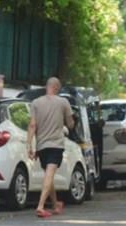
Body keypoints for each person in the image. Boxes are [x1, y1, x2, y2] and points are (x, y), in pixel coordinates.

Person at [27, 77, 75, 218]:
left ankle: (55, 204)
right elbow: (71, 124)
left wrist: (29, 145)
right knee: (49, 174)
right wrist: (68, 123)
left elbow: (32, 125)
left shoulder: (35, 103)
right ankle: (41, 206)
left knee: (49, 175)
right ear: (57, 87)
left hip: (41, 145)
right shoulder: (63, 102)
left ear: (47, 86)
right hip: (55, 144)